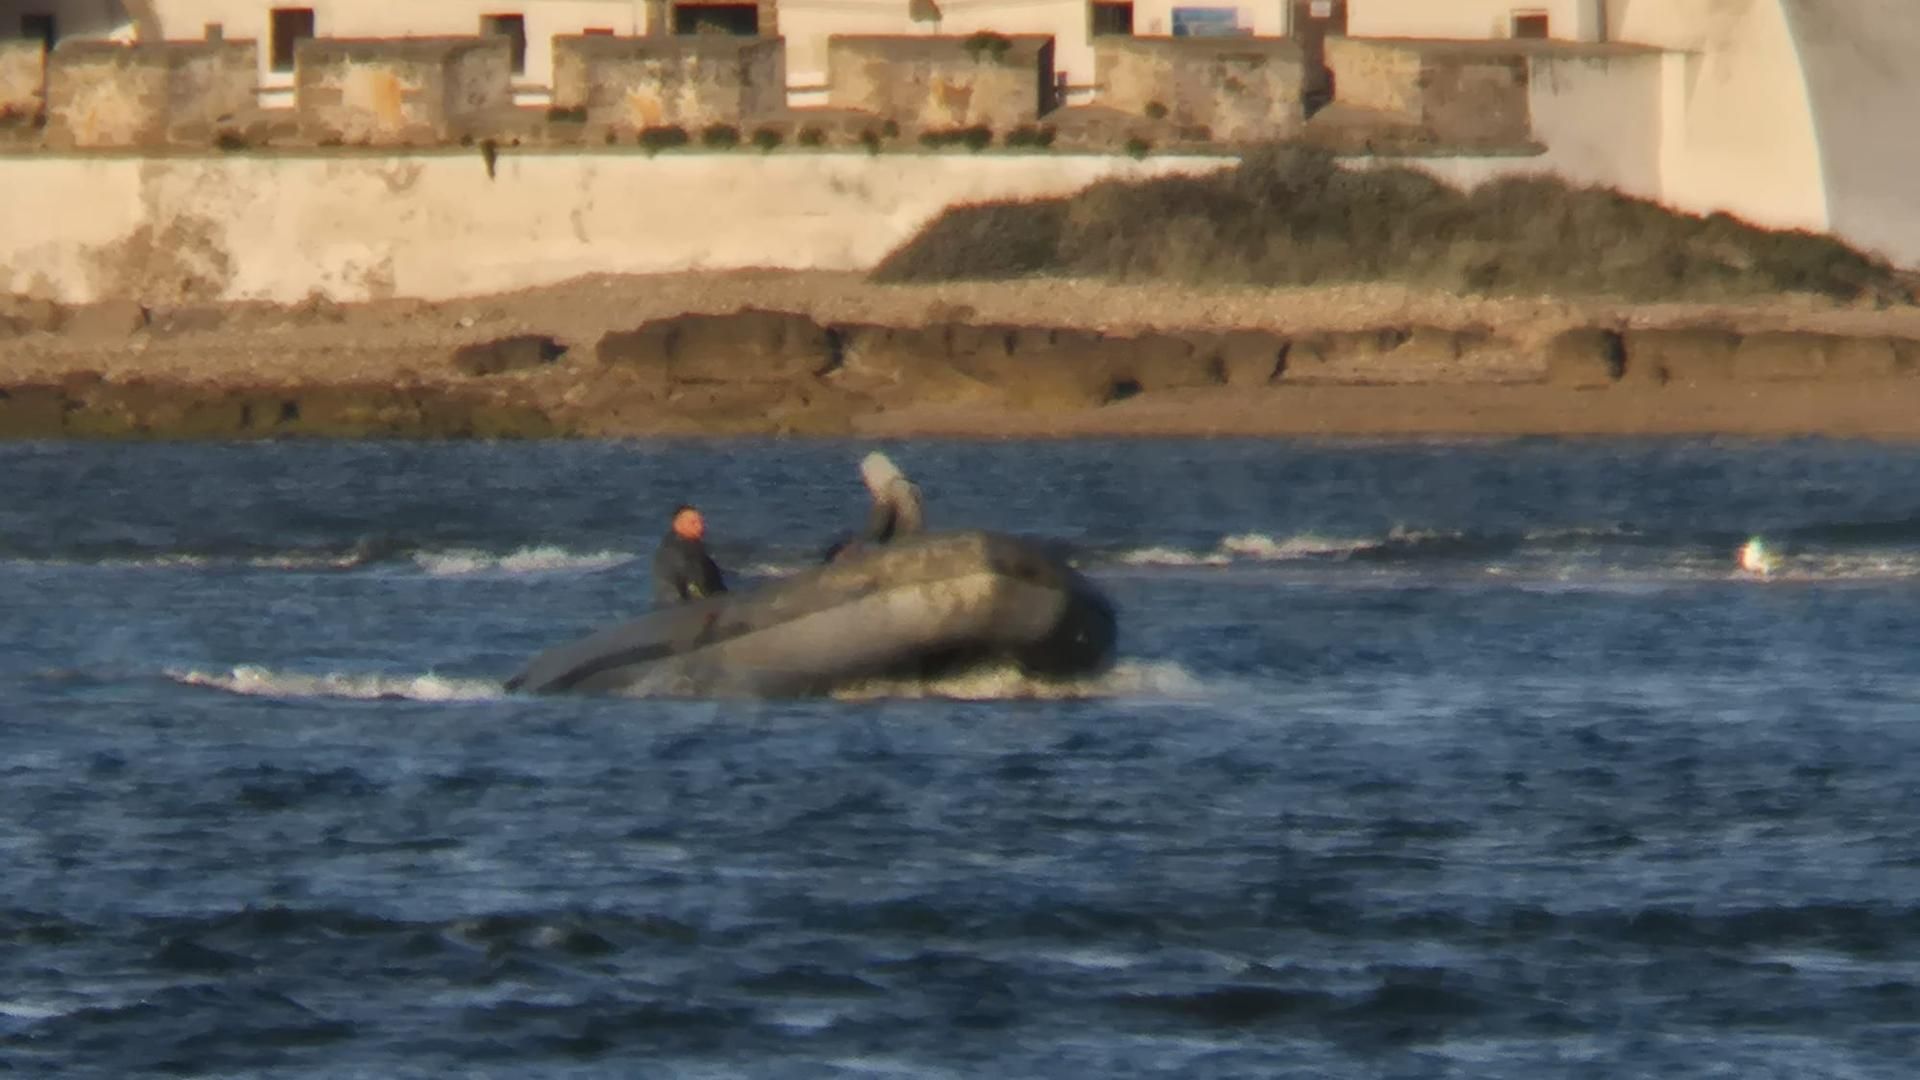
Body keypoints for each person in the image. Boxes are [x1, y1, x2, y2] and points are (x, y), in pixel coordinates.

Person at [824, 451, 925, 562]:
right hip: (914, 542)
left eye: (866, 477)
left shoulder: (888, 491)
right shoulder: (912, 487)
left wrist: (855, 544)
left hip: (900, 547)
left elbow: (876, 528)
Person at [652, 504, 727, 605]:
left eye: (701, 522)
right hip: (678, 609)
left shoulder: (699, 552)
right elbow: (676, 594)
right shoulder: (671, 554)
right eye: (693, 523)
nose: (700, 527)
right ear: (677, 525)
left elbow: (717, 587)